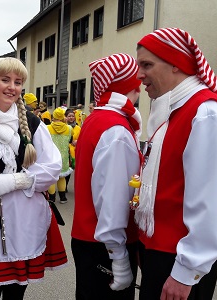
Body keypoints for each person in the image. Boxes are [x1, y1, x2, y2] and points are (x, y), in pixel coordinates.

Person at [135, 27, 217, 300]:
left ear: (176, 64)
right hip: (163, 255)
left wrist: (186, 271)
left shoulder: (207, 114)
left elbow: (216, 202)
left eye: (147, 65)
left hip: (179, 261)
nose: (139, 76)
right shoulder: (175, 110)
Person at [0, 57, 68, 300]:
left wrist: (18, 181)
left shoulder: (33, 124)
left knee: (16, 293)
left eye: (18, 82)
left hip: (26, 219)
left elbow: (53, 165)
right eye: (5, 80)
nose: (12, 87)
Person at [71, 54, 142, 300]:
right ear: (133, 84)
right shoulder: (116, 129)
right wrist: (119, 256)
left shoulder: (97, 119)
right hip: (105, 245)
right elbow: (112, 198)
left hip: (90, 239)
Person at [47, 107, 74, 204]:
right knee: (62, 177)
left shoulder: (47, 128)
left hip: (51, 157)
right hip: (64, 157)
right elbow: (70, 140)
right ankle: (63, 198)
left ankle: (52, 198)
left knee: (52, 178)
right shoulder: (69, 128)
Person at [64, 108, 81, 193]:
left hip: (75, 151)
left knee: (72, 170)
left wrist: (77, 141)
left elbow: (82, 137)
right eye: (69, 116)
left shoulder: (78, 128)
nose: (71, 118)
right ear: (66, 117)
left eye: (72, 116)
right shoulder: (63, 127)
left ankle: (66, 186)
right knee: (66, 169)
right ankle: (64, 186)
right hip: (65, 150)